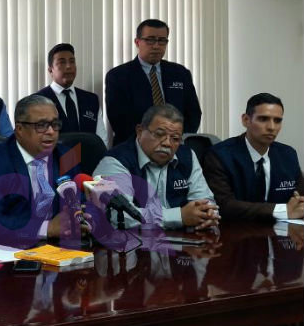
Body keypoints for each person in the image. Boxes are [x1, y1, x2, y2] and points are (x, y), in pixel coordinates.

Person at [0, 94, 92, 248]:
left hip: (62, 249)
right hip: (15, 253)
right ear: (20, 129)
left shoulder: (66, 156)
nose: (51, 131)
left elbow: (83, 203)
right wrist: (47, 228)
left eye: (55, 124)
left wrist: (84, 221)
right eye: (41, 125)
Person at [92, 104, 219, 230]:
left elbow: (205, 201)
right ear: (140, 131)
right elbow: (119, 216)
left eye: (175, 138)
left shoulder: (187, 156)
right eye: (159, 134)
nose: (167, 143)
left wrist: (207, 214)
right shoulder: (115, 161)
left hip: (181, 238)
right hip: (131, 240)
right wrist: (179, 216)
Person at [203, 93, 304, 221]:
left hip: (282, 229)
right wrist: (282, 211)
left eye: (277, 121)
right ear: (246, 120)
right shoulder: (219, 155)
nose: (271, 127)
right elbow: (223, 205)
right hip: (235, 230)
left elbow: (299, 197)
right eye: (263, 119)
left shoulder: (288, 154)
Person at [105, 19, 201, 145]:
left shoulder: (180, 73)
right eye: (150, 40)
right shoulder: (118, 76)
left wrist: (175, 139)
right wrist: (150, 141)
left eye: (162, 40)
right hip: (134, 146)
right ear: (137, 42)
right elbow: (119, 120)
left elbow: (193, 113)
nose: (156, 46)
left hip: (176, 145)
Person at [36, 43, 107, 146]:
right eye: (62, 62)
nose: (69, 66)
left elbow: (101, 141)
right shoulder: (38, 101)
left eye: (72, 61)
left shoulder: (91, 100)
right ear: (50, 70)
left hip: (90, 156)